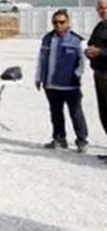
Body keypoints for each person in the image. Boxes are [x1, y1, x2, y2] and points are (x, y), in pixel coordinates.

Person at [35, 9, 89, 152]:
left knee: (76, 114)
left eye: (61, 22)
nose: (58, 25)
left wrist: (77, 75)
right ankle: (59, 139)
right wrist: (38, 77)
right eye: (55, 22)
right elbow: (41, 60)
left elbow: (83, 61)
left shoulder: (77, 40)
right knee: (56, 113)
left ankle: (82, 141)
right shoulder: (47, 39)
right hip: (51, 85)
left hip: (70, 85)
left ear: (68, 23)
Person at [85, 0, 107, 163]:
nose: (102, 11)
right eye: (100, 8)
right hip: (99, 74)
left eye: (105, 7)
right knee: (104, 113)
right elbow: (92, 44)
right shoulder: (99, 27)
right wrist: (89, 51)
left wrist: (101, 52)